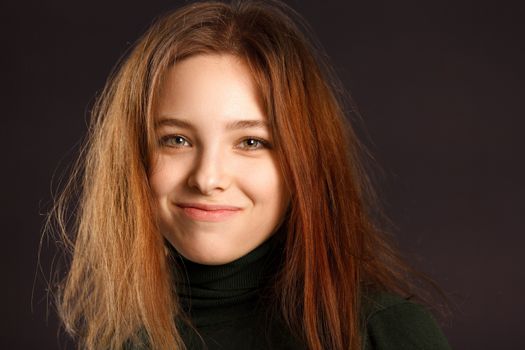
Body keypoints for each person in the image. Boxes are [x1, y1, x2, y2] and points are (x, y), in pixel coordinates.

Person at [49, 1, 451, 349]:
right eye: (176, 140)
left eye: (251, 142)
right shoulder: (121, 340)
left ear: (305, 163)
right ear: (132, 155)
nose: (207, 179)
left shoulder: (384, 334)